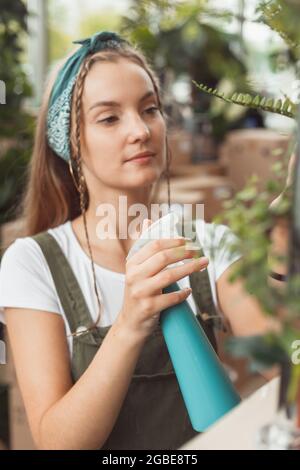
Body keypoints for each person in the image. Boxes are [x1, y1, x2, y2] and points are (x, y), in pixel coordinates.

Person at [0, 31, 278, 450]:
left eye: (150, 109)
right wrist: (131, 320)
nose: (140, 130)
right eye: (109, 118)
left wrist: (279, 252)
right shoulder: (32, 263)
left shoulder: (210, 243)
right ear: (72, 143)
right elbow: (56, 442)